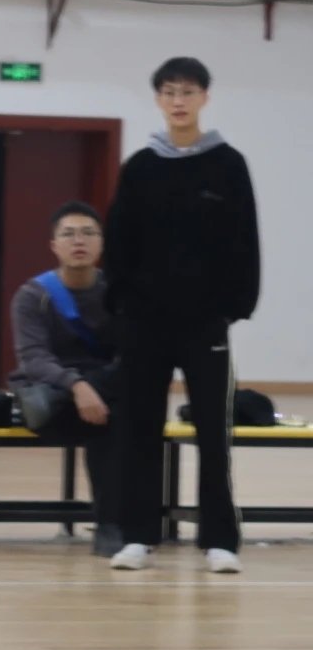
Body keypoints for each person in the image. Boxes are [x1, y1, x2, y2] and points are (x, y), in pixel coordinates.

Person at [104, 57, 260, 574]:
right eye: (169, 92)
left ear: (204, 98)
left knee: (213, 433)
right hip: (144, 322)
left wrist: (233, 307)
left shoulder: (228, 164)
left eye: (188, 92)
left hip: (204, 322)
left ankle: (219, 540)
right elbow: (120, 240)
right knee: (139, 429)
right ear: (158, 99)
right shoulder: (140, 166)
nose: (178, 101)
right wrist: (121, 304)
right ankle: (137, 536)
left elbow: (244, 239)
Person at [8, 201, 121, 557]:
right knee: (107, 421)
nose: (79, 241)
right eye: (69, 234)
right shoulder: (33, 296)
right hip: (54, 395)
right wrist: (77, 386)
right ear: (54, 245)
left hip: (105, 391)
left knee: (119, 409)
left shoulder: (118, 293)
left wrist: (94, 388)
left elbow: (132, 353)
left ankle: (121, 522)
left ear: (102, 243)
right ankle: (111, 524)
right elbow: (34, 359)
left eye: (88, 233)